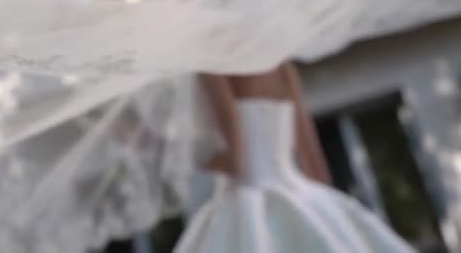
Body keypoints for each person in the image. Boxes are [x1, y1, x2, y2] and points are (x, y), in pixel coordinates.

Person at [175, 63, 414, 252]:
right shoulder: (281, 66)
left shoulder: (213, 65)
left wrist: (181, 151)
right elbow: (315, 163)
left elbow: (235, 161)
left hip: (242, 204)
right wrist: (326, 219)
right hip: (303, 194)